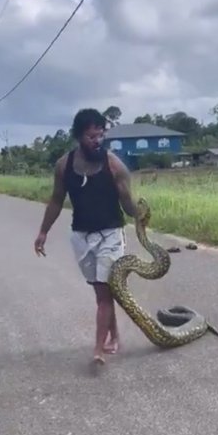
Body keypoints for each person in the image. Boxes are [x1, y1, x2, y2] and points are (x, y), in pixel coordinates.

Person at [34, 108, 138, 363]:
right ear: (79, 136)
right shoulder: (64, 165)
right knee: (102, 292)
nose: (97, 141)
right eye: (92, 136)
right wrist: (43, 231)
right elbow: (57, 200)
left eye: (101, 135)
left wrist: (140, 216)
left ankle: (98, 348)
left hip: (110, 234)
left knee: (104, 291)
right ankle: (114, 336)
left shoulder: (114, 165)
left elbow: (128, 204)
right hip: (81, 236)